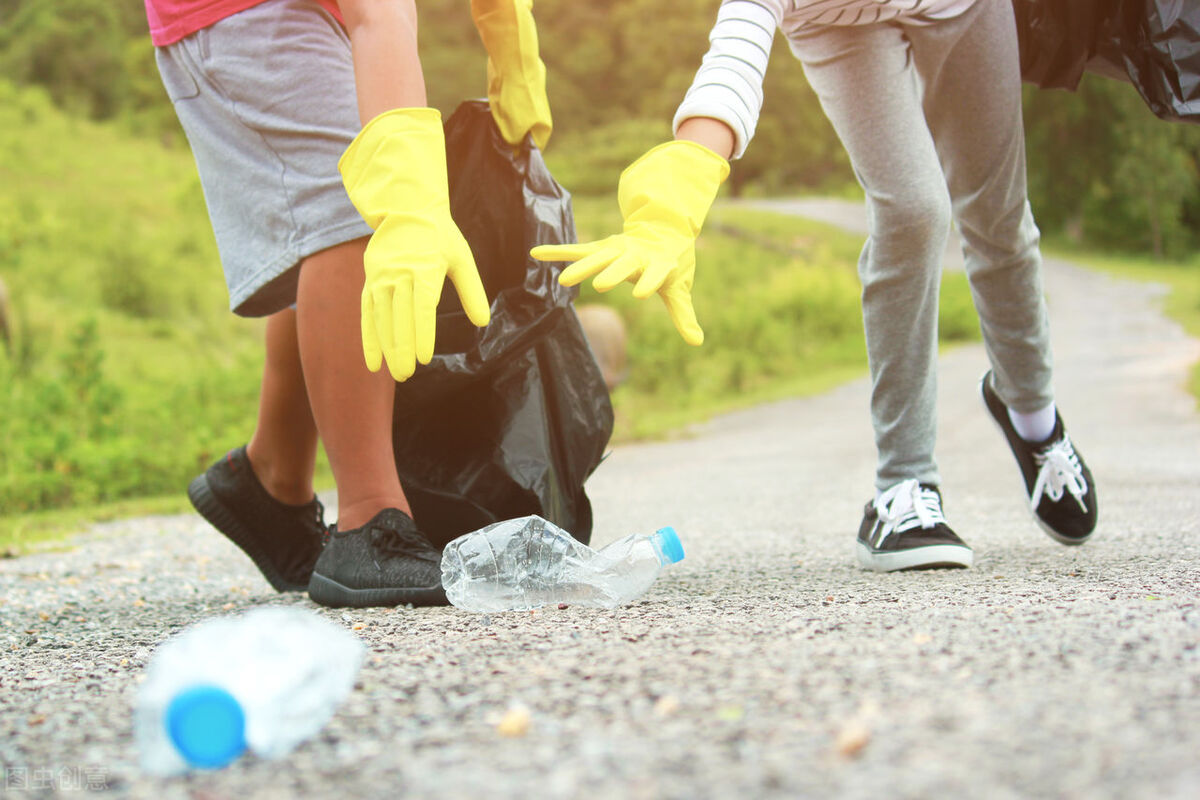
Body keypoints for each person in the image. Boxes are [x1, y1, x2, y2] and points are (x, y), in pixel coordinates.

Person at [533, 0, 1098, 572]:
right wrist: (678, 193)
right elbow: (733, 64)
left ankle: (1033, 418)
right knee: (914, 212)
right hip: (839, 20)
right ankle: (904, 487)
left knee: (998, 215)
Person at [143, 0, 552, 605]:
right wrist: (405, 208)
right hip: (248, 16)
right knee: (364, 211)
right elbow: (380, 11)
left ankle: (271, 478)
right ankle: (368, 521)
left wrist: (513, 60)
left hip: (277, 15)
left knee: (327, 227)